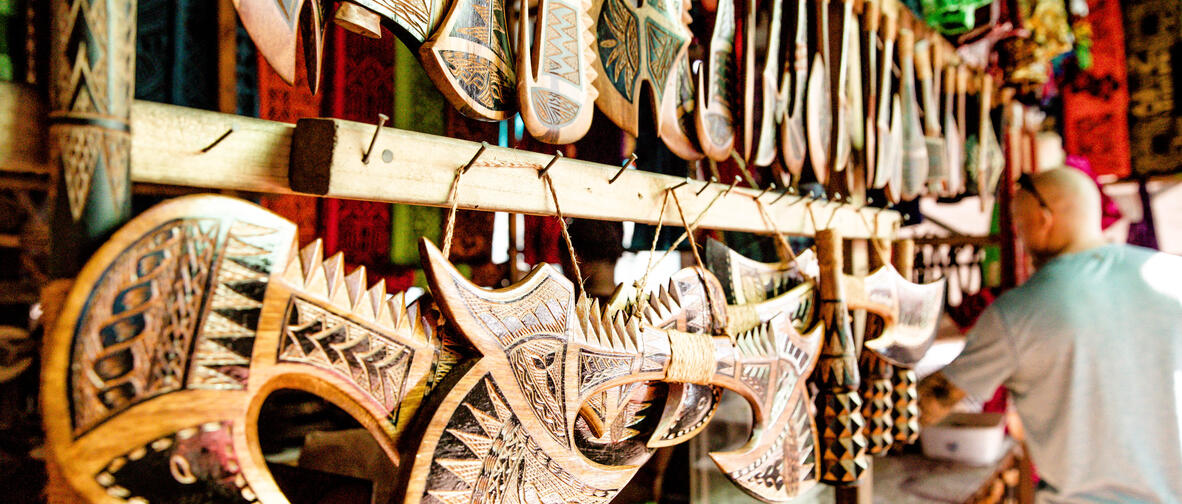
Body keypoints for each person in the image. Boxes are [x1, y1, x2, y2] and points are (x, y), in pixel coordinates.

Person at [917, 168, 1182, 503]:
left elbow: (936, 399)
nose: (1019, 236)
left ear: (1043, 218)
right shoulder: (1172, 275)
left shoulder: (1019, 311)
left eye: (1019, 222)